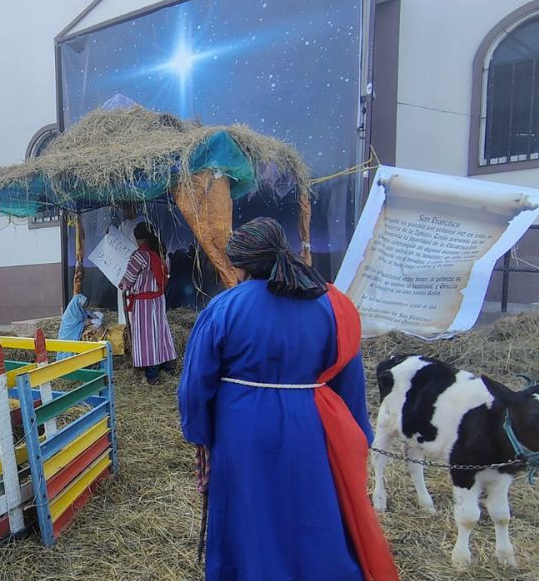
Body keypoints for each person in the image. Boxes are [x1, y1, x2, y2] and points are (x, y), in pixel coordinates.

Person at [177, 217, 397, 581]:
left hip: (241, 429)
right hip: (313, 423)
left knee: (248, 512)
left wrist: (198, 431)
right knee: (312, 506)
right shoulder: (330, 306)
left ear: (242, 263)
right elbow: (348, 375)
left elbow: (195, 383)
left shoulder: (224, 307)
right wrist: (357, 430)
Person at [118, 222, 178, 384]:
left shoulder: (139, 255)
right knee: (160, 331)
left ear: (138, 239)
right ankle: (168, 366)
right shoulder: (161, 253)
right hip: (158, 299)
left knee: (146, 336)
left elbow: (128, 279)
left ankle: (152, 375)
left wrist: (122, 285)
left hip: (144, 302)